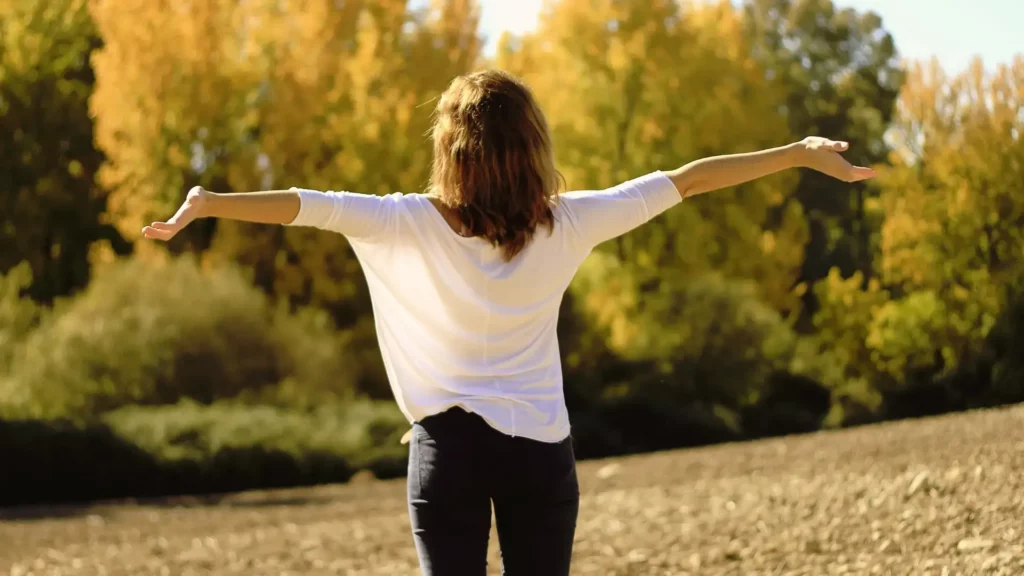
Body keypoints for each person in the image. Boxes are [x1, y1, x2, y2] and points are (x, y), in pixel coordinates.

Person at [142, 69, 875, 576]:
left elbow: (305, 203)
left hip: (446, 452)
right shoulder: (572, 223)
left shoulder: (402, 222)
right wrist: (796, 155)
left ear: (450, 151)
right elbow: (689, 179)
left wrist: (208, 202)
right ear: (533, 151)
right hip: (540, 453)